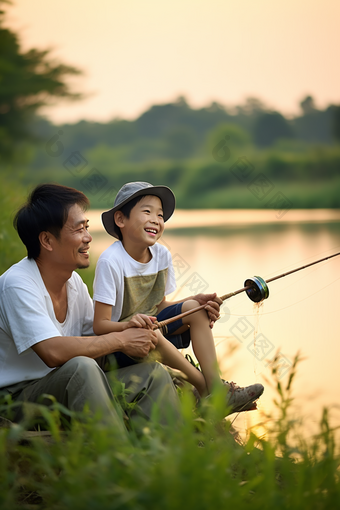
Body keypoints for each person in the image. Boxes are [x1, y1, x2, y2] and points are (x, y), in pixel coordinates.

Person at [0, 184, 180, 434]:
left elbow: (95, 339)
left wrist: (132, 329)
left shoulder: (73, 283)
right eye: (79, 229)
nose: (88, 237)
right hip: (18, 398)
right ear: (47, 240)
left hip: (61, 385)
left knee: (151, 375)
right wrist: (121, 339)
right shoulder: (17, 284)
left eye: (86, 227)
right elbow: (52, 352)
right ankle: (119, 459)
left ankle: (162, 459)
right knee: (82, 367)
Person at [93, 181, 264, 414]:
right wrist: (130, 325)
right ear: (121, 220)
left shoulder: (161, 254)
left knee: (196, 307)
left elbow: (159, 305)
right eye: (147, 211)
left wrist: (194, 302)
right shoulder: (110, 261)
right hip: (118, 347)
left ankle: (216, 386)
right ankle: (206, 389)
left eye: (160, 215)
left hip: (153, 331)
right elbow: (100, 325)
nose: (156, 219)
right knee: (150, 330)